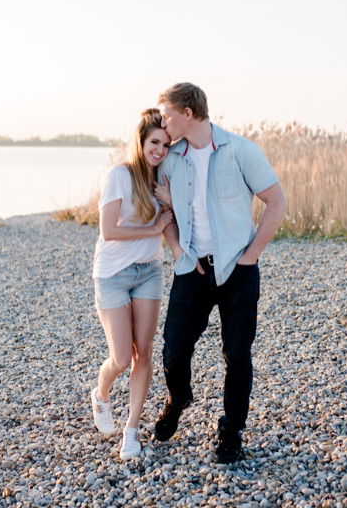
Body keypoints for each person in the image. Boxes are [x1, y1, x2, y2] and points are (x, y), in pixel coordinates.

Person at [153, 82, 287, 463]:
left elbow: (277, 202)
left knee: (237, 354)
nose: (163, 121)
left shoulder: (241, 151)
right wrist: (178, 250)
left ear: (188, 114)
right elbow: (165, 214)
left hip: (237, 271)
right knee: (173, 352)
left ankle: (231, 431)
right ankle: (179, 399)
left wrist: (251, 256)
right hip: (191, 270)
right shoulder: (169, 158)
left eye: (167, 113)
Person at [91, 108, 174, 460]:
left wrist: (171, 204)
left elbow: (177, 219)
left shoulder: (163, 180)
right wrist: (152, 230)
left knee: (145, 352)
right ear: (140, 141)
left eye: (166, 145)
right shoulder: (119, 176)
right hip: (112, 274)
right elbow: (109, 230)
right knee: (122, 358)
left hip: (149, 272)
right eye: (155, 142)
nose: (160, 150)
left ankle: (131, 430)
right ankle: (100, 393)